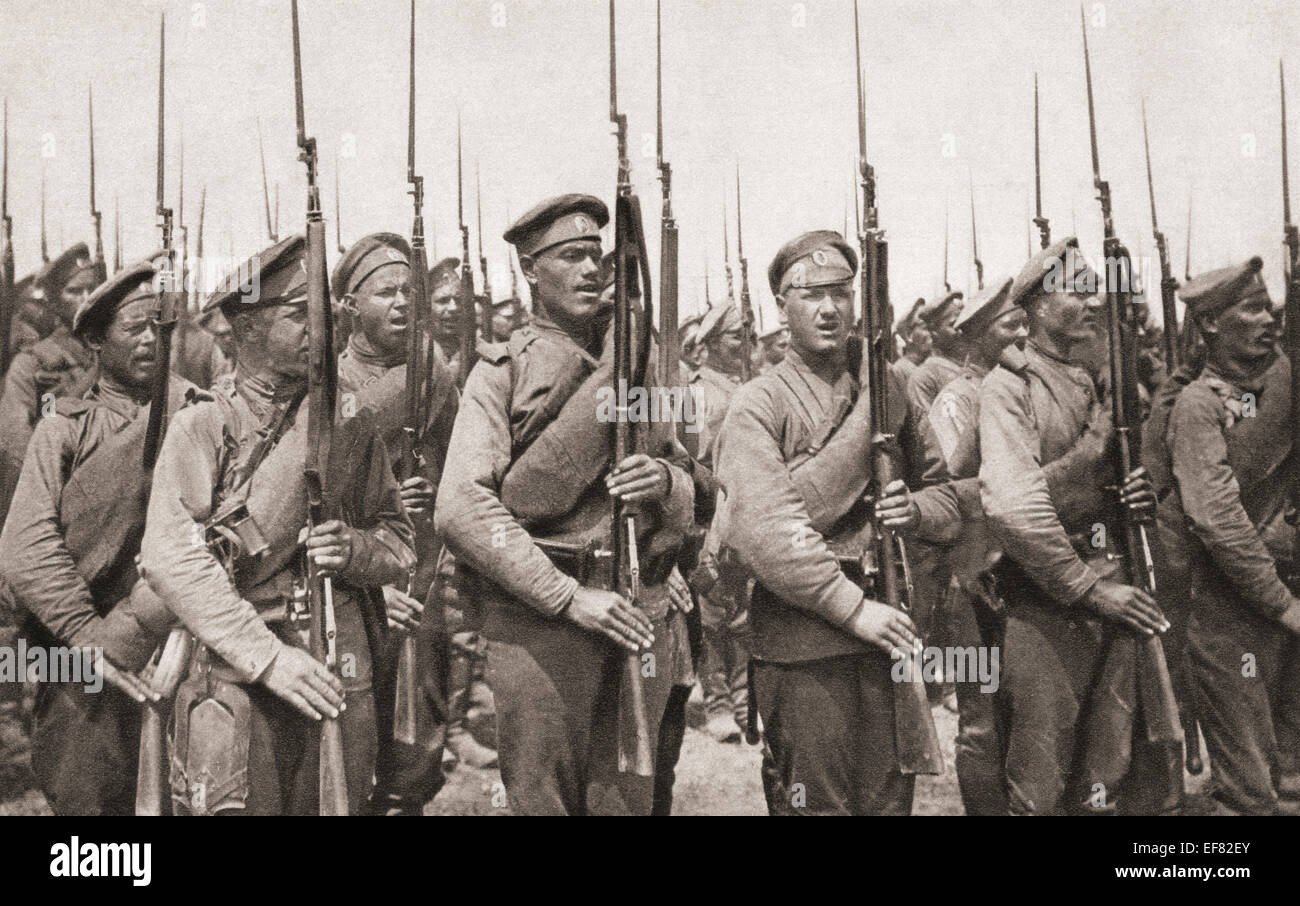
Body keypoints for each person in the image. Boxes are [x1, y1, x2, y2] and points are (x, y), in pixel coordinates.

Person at [435, 194, 696, 815]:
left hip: (638, 610)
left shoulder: (637, 367)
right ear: (529, 269)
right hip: (540, 624)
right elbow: (462, 508)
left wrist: (662, 480)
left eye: (596, 256)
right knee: (545, 800)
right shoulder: (499, 373)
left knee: (628, 803)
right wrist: (568, 597)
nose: (589, 270)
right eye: (570, 256)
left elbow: (695, 478)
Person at [138, 234, 416, 815]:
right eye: (298, 315)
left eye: (321, 312)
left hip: (335, 666)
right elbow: (172, 555)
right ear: (248, 329)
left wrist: (355, 549)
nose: (320, 328)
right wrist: (267, 657)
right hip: (234, 671)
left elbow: (399, 540)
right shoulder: (205, 425)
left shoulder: (347, 420)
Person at [714, 230, 960, 815]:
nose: (829, 309)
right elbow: (767, 532)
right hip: (804, 644)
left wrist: (917, 510)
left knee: (887, 808)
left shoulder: (890, 385)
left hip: (889, 628)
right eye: (811, 295)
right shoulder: (759, 403)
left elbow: (948, 493)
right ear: (782, 307)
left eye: (842, 294)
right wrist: (853, 610)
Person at [979, 237, 1165, 815]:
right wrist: (1089, 589)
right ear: (1034, 307)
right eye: (1077, 290)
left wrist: (1139, 492)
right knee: (1041, 779)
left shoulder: (1097, 380)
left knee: (1108, 776)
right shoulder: (1010, 387)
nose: (1092, 302)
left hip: (1119, 589)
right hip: (1047, 603)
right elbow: (1015, 508)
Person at [0, 255, 191, 814]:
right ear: (98, 342)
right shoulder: (63, 427)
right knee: (89, 805)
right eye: (133, 329)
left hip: (180, 637)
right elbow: (27, 546)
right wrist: (89, 636)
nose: (149, 342)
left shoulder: (198, 413)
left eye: (158, 328)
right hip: (79, 647)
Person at [331, 232, 471, 812]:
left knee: (415, 752)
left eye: (408, 291)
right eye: (384, 292)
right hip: (350, 586)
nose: (401, 303)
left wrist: (429, 495)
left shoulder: (432, 378)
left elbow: (458, 469)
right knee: (349, 740)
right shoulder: (329, 388)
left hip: (421, 575)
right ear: (349, 306)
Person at [1165, 257, 1300, 815]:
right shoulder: (1198, 407)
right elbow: (1217, 519)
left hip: (1286, 601)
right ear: (1212, 326)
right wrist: (1283, 605)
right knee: (1251, 792)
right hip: (1232, 612)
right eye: (1251, 308)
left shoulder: (1283, 379)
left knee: (1291, 776)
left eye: (1269, 304)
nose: (1268, 317)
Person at [0, 243, 101, 524]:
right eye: (73, 291)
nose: (85, 298)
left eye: (90, 289)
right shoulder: (30, 364)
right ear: (55, 301)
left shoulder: (113, 352)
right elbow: (15, 442)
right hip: (57, 495)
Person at [906, 289, 964, 416]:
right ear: (934, 332)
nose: (961, 331)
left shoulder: (967, 366)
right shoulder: (925, 377)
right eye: (953, 325)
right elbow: (927, 431)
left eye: (963, 324)